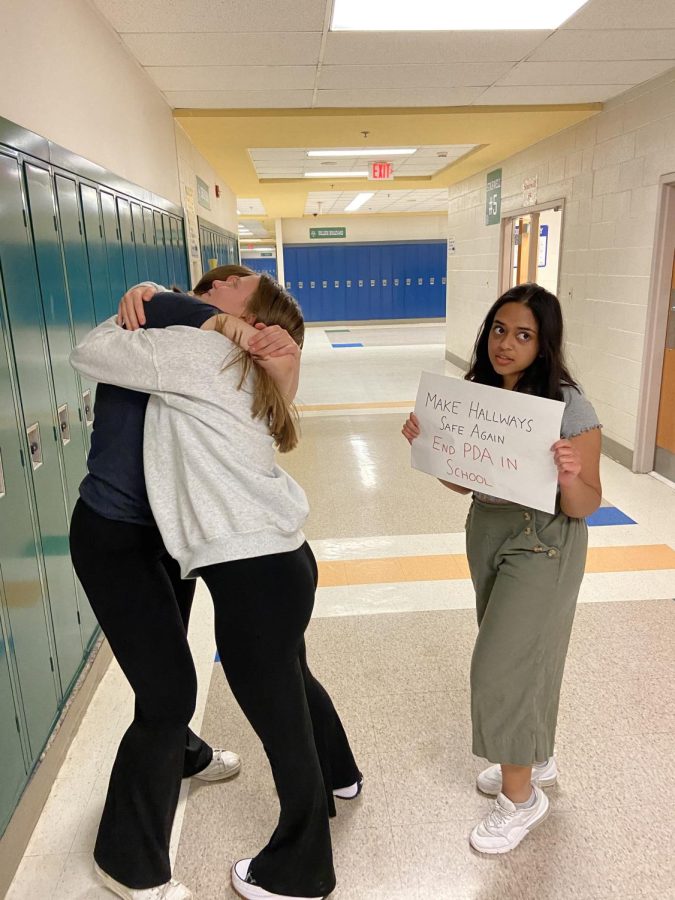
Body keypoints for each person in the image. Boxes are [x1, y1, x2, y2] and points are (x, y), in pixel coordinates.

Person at [70, 274, 362, 900]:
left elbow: (90, 349)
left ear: (252, 322)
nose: (221, 280)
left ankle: (304, 860)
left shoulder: (200, 347)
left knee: (265, 698)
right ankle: (137, 848)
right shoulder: (225, 351)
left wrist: (168, 305)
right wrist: (174, 305)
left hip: (227, 558)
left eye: (238, 287)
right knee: (187, 688)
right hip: (199, 545)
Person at [402, 283, 601, 854]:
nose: (506, 344)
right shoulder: (479, 393)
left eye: (523, 335)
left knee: (499, 667)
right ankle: (534, 754)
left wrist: (568, 473)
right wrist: (432, 445)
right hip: (486, 531)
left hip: (545, 542)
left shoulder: (568, 403)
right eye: (499, 329)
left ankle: (520, 798)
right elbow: (465, 478)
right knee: (523, 655)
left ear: (545, 343)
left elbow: (586, 504)